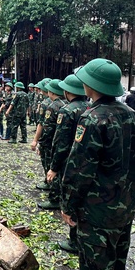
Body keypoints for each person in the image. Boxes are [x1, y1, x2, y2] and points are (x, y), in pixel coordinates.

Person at [60, 58, 135, 270]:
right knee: (116, 262)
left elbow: (79, 168)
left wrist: (68, 205)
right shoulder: (131, 114)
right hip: (124, 208)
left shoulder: (92, 118)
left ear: (90, 85)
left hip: (96, 212)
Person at [46, 74, 89, 251]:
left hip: (69, 162)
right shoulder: (90, 107)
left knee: (70, 200)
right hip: (86, 162)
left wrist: (54, 167)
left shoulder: (67, 110)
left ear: (67, 91)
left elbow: (61, 143)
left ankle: (74, 241)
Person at [36, 79, 66, 210]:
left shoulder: (52, 106)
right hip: (63, 144)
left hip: (52, 143)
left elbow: (46, 127)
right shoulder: (65, 104)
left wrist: (40, 142)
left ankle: (54, 197)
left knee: (51, 168)